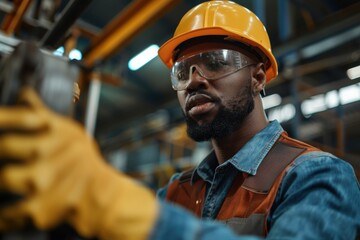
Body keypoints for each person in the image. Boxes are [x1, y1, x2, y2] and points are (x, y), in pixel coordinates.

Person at [0, 0, 359, 239]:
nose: (194, 80)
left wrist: (126, 211)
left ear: (259, 77)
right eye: (182, 71)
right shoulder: (176, 191)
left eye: (216, 61)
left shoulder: (316, 175)